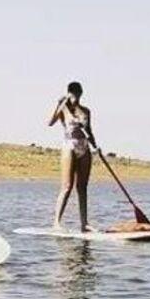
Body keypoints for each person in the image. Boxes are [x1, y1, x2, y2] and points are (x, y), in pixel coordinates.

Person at [48, 82, 93, 231]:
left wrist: (94, 145)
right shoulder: (64, 109)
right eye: (73, 93)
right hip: (70, 146)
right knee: (67, 186)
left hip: (84, 147)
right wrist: (60, 104)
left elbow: (90, 131)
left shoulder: (86, 111)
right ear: (69, 93)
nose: (76, 96)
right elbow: (50, 123)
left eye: (78, 93)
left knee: (82, 187)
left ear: (81, 93)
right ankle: (56, 223)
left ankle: (84, 224)